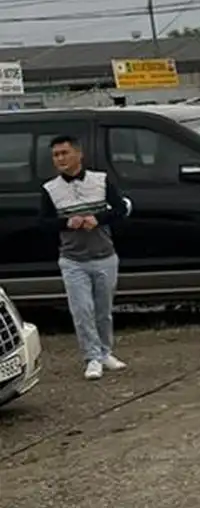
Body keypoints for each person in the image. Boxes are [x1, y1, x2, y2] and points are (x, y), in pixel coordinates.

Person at [40, 135, 132, 380]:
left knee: (103, 310)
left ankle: (105, 352)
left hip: (104, 256)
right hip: (73, 260)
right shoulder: (50, 189)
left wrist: (98, 219)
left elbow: (121, 209)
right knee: (82, 310)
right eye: (56, 155)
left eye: (64, 153)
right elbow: (44, 222)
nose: (60, 158)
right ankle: (91, 356)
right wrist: (67, 223)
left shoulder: (100, 180)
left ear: (79, 155)